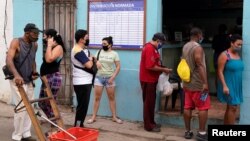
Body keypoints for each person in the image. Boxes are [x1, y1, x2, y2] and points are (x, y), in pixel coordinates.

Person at [6, 23, 40, 141]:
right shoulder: (16, 42)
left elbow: (33, 60)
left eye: (38, 34)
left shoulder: (34, 45)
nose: (37, 36)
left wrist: (34, 71)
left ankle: (26, 134)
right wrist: (16, 75)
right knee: (21, 107)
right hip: (17, 80)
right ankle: (17, 136)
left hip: (28, 79)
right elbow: (9, 59)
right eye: (34, 34)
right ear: (26, 33)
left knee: (29, 106)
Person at [139, 33, 172, 132]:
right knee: (148, 103)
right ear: (158, 41)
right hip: (147, 80)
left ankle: (152, 123)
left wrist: (163, 68)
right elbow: (150, 66)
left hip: (152, 79)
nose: (161, 45)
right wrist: (163, 70)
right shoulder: (149, 48)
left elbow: (155, 63)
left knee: (151, 102)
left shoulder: (154, 48)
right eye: (161, 43)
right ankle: (148, 126)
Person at [182, 27, 210, 141]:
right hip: (198, 83)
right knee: (203, 108)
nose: (202, 37)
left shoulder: (185, 46)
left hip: (187, 82)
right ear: (198, 35)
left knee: (187, 106)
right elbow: (199, 64)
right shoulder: (197, 47)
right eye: (201, 35)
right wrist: (205, 83)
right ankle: (202, 133)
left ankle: (188, 132)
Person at [87, 36, 122, 124]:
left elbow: (118, 67)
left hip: (110, 79)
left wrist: (112, 77)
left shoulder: (114, 54)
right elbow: (92, 57)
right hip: (99, 78)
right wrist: (96, 61)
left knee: (111, 98)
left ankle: (114, 117)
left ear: (110, 45)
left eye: (105, 44)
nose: (103, 45)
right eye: (102, 43)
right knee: (97, 98)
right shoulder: (99, 51)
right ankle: (93, 117)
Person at [38, 29, 66, 133]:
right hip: (47, 78)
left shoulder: (58, 47)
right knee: (42, 103)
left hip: (53, 78)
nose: (43, 38)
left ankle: (56, 126)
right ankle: (55, 124)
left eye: (45, 36)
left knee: (50, 103)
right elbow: (46, 61)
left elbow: (49, 59)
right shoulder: (51, 47)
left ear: (50, 37)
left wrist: (49, 45)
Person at [217, 34, 243, 125]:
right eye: (238, 44)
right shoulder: (224, 55)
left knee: (230, 107)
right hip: (228, 85)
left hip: (236, 85)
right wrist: (224, 86)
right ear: (231, 43)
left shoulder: (237, 54)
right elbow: (219, 71)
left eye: (241, 45)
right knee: (233, 108)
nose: (239, 47)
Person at [71, 29, 93, 127]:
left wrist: (91, 59)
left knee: (83, 106)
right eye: (86, 38)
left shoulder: (81, 49)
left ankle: (80, 125)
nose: (88, 39)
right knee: (82, 107)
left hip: (84, 81)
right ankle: (78, 126)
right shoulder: (77, 51)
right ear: (81, 40)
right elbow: (89, 65)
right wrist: (92, 60)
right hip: (82, 82)